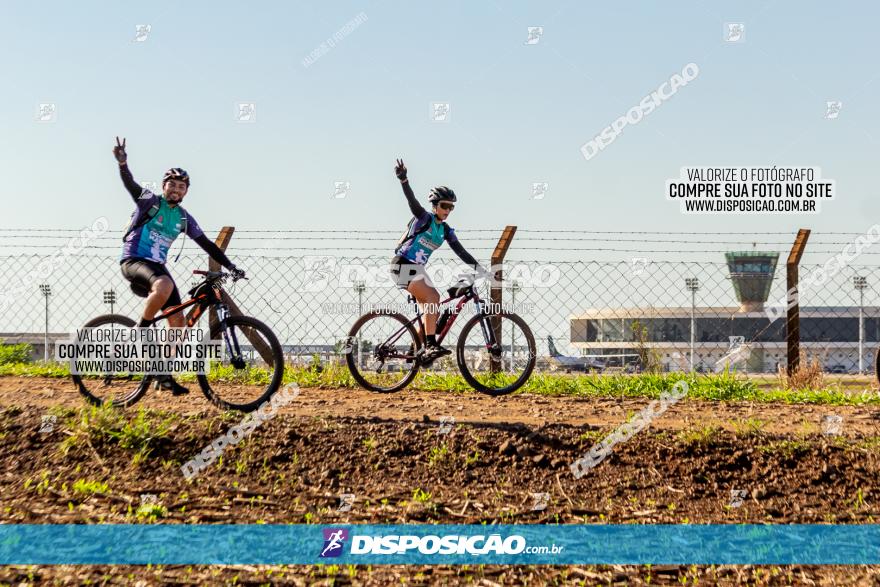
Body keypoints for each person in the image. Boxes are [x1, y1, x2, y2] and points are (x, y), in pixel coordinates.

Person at [112, 137, 245, 395]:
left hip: (157, 266)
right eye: (171, 184)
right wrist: (123, 163)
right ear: (163, 186)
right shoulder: (150, 202)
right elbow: (130, 184)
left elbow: (206, 243)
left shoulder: (184, 218)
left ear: (186, 191)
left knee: (178, 322)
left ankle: (162, 373)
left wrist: (230, 266)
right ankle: (141, 329)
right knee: (164, 284)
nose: (175, 188)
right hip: (134, 260)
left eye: (181, 186)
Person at [390, 158, 486, 361]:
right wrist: (404, 180)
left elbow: (461, 251)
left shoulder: (445, 230)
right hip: (402, 264)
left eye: (451, 207)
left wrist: (481, 269)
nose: (447, 210)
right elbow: (412, 202)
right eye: (444, 205)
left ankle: (413, 353)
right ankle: (431, 346)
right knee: (433, 297)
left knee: (431, 312)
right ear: (434, 205)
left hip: (417, 269)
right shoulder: (424, 218)